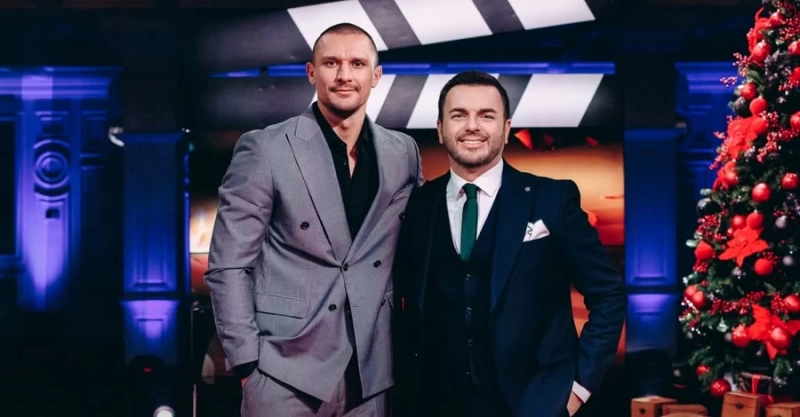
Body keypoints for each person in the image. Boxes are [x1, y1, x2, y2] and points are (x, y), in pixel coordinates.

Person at [205, 22, 422, 417]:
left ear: (376, 76)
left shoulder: (403, 152)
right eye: (331, 63)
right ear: (311, 72)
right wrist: (246, 362)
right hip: (284, 369)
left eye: (357, 64)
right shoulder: (266, 148)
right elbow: (229, 265)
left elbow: (415, 249)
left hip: (372, 372)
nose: (344, 75)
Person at [392, 70, 626, 417]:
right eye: (459, 115)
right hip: (436, 405)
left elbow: (608, 295)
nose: (472, 126)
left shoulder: (552, 199)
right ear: (440, 129)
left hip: (534, 406)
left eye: (486, 116)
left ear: (506, 128)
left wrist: (577, 389)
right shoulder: (418, 205)